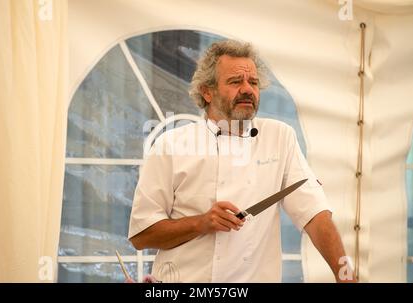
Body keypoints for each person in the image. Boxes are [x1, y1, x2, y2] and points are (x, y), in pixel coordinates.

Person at [128, 40, 354, 283]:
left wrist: (346, 276)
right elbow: (142, 235)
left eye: (253, 82)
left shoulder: (279, 137)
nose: (247, 89)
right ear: (207, 91)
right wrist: (201, 223)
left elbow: (315, 215)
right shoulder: (171, 145)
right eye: (236, 82)